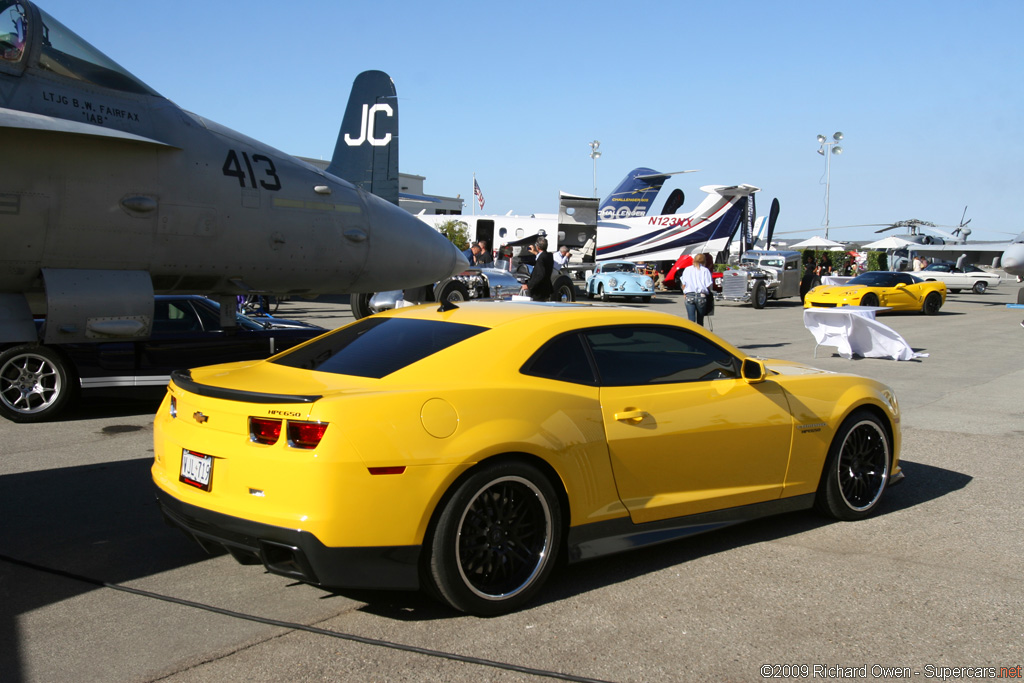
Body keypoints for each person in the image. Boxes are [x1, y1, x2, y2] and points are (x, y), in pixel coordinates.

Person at [681, 253, 713, 326]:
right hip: (701, 295)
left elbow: (684, 284)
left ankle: (690, 335)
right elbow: (708, 285)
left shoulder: (687, 269)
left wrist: (684, 293)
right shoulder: (705, 270)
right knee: (700, 320)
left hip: (689, 295)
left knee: (691, 320)